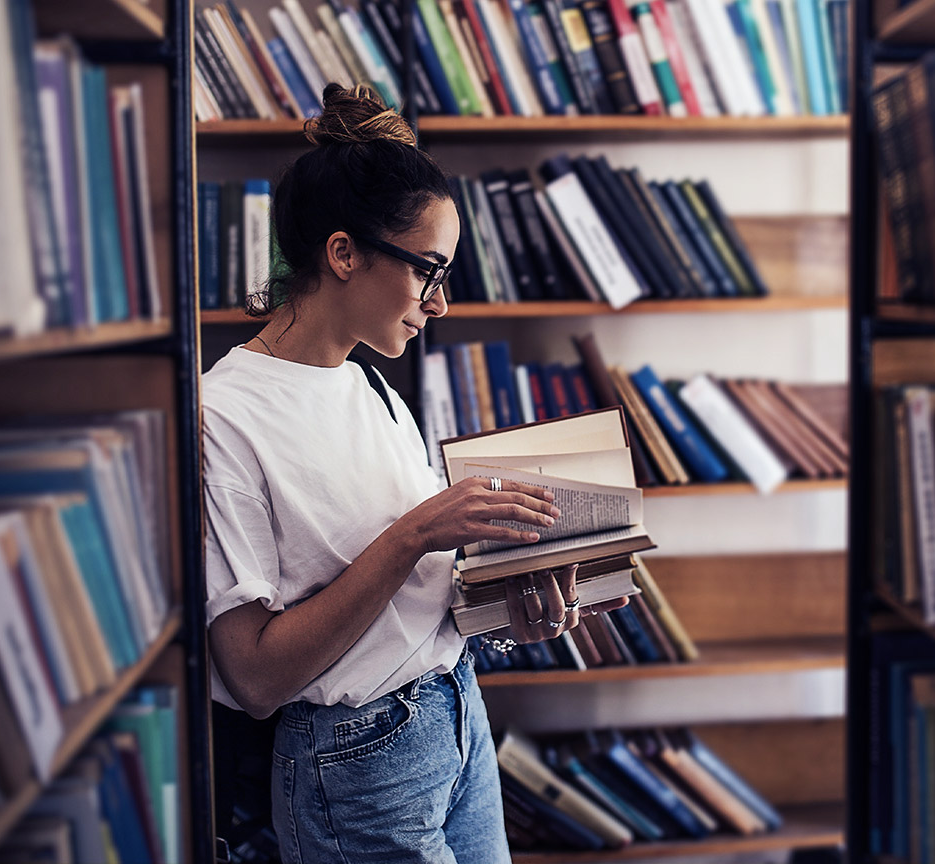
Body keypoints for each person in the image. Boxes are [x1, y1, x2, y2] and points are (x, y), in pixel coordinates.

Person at [201, 84, 624, 864]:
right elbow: (255, 675)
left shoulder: (372, 388)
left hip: (454, 715)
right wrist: (416, 533)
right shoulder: (223, 415)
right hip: (355, 765)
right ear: (343, 253)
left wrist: (508, 606)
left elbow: (413, 603)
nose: (440, 302)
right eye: (430, 269)